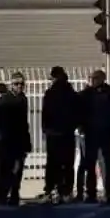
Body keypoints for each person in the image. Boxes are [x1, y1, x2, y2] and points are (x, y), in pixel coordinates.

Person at [79, 70, 110, 204]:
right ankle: (90, 193)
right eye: (91, 78)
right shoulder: (85, 94)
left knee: (107, 165)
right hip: (90, 133)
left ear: (103, 79)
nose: (93, 80)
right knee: (89, 164)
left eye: (96, 78)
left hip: (105, 134)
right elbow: (78, 111)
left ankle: (109, 193)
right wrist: (81, 127)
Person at [41, 66, 80, 203]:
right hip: (67, 132)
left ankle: (51, 190)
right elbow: (77, 113)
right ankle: (66, 191)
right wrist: (73, 126)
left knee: (52, 163)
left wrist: (45, 129)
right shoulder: (71, 93)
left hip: (53, 133)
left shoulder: (50, 93)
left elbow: (45, 114)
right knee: (68, 163)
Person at [5, 72, 32, 206]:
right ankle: (7, 193)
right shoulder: (6, 99)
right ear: (11, 85)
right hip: (9, 139)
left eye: (22, 84)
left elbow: (24, 122)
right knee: (10, 168)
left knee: (19, 168)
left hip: (20, 139)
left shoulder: (23, 99)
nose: (19, 86)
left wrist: (27, 141)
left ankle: (14, 193)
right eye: (16, 84)